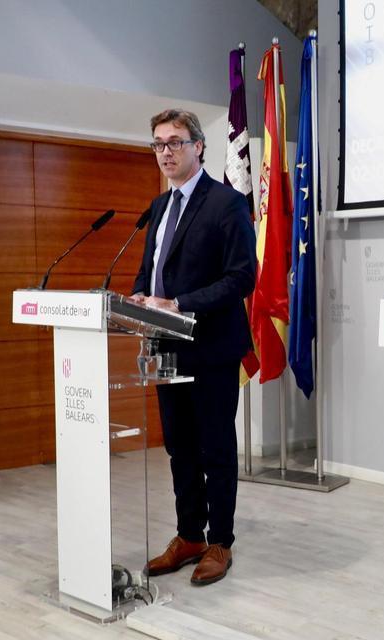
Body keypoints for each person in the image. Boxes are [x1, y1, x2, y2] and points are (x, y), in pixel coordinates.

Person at [131, 109, 257, 585]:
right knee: (179, 447)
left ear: (199, 146)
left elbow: (242, 277)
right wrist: (141, 296)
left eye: (175, 142)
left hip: (211, 347)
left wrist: (178, 302)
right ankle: (189, 535)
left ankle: (220, 541)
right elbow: (152, 271)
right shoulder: (159, 208)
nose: (166, 152)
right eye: (159, 144)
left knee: (215, 448)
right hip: (165, 344)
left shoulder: (226, 204)